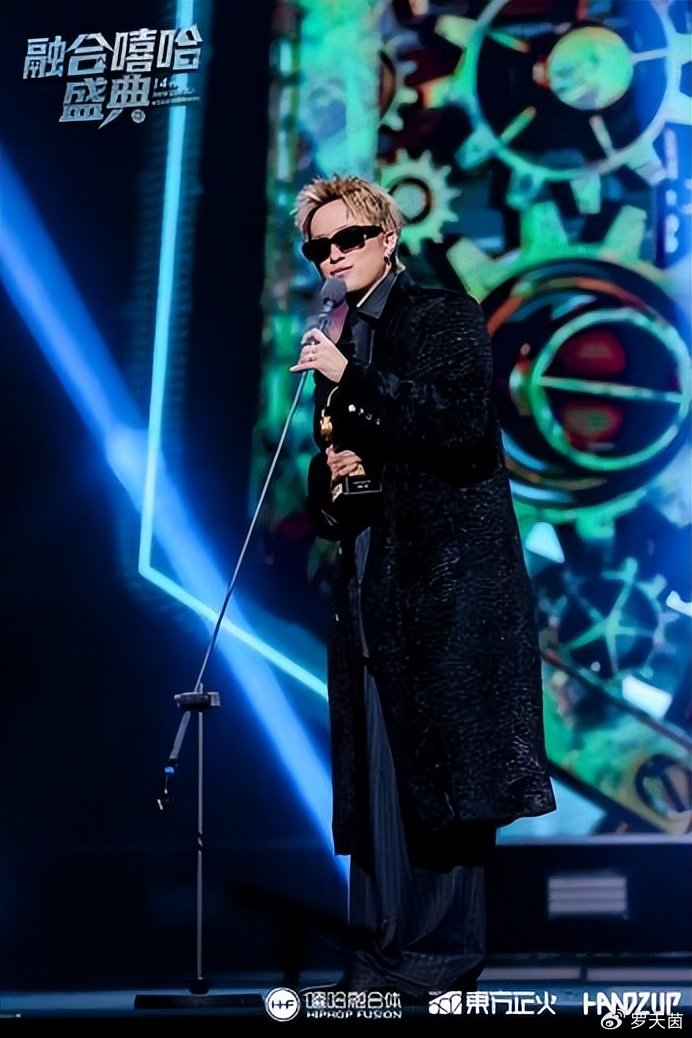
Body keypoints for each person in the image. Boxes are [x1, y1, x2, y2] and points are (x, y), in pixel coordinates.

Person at [289, 174, 556, 1001]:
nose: (333, 258)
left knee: (442, 777)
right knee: (376, 779)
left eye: (347, 240)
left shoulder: (442, 315)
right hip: (373, 586)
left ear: (386, 238)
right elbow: (337, 487)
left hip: (445, 593)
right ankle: (378, 958)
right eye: (319, 247)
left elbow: (461, 426)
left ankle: (436, 960)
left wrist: (354, 377)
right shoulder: (340, 340)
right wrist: (334, 477)